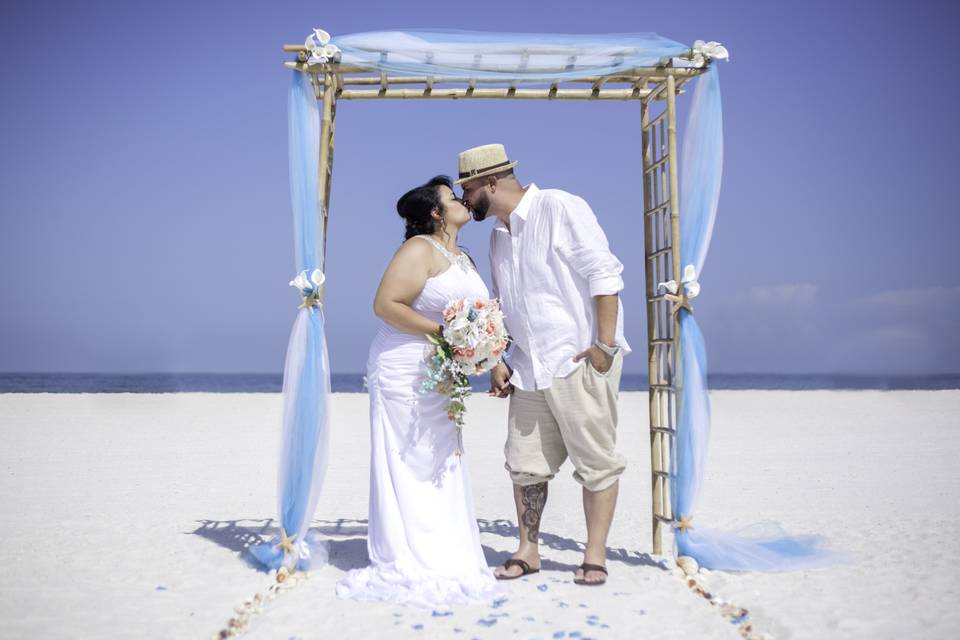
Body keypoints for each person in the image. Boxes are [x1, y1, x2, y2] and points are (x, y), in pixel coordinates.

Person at [457, 144, 630, 586]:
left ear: (491, 183)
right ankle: (527, 550)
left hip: (577, 362)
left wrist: (603, 348)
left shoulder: (559, 206)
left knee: (596, 463)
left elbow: (604, 274)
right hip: (528, 368)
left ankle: (595, 554)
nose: (465, 197)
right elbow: (506, 305)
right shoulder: (497, 235)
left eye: (469, 187)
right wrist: (500, 359)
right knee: (525, 464)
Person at [335, 176, 502, 606]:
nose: (463, 201)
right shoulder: (418, 249)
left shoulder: (463, 257)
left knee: (443, 456)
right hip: (405, 368)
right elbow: (386, 305)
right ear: (435, 212)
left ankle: (447, 552)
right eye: (453, 198)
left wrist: (487, 353)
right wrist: (447, 334)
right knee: (409, 456)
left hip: (443, 369)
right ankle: (409, 553)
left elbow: (478, 315)